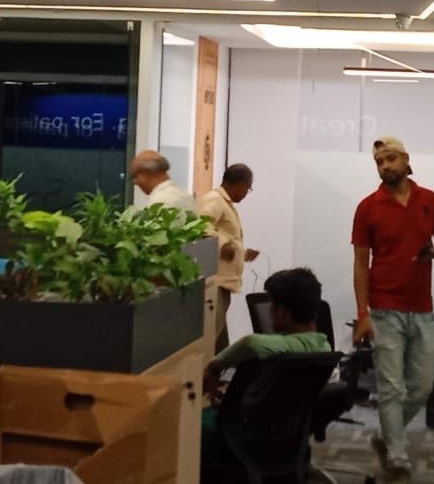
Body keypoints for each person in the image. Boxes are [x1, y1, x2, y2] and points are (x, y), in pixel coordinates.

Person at [352, 136, 434, 483]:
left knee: (422, 387)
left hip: (422, 308)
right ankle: (397, 459)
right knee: (391, 388)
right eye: (379, 162)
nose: (385, 167)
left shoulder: (431, 201)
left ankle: (385, 437)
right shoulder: (368, 207)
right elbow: (360, 264)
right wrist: (363, 314)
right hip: (384, 308)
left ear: (406, 160)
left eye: (390, 159)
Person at [200, 267, 331, 464]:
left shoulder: (285, 348)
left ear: (283, 312)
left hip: (246, 433)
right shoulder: (324, 347)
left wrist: (214, 367)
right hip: (287, 436)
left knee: (188, 425)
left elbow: (250, 343)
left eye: (272, 305)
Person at [198, 163, 259, 353]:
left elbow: (225, 239)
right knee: (210, 337)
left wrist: (242, 253)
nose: (246, 193)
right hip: (215, 281)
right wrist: (224, 245)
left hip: (224, 281)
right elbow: (201, 225)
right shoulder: (215, 200)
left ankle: (217, 369)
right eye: (248, 189)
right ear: (241, 184)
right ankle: (205, 371)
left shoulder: (224, 203)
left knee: (218, 339)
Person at [129, 150, 196, 213]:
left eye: (136, 178)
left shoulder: (159, 201)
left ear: (144, 173)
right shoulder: (187, 196)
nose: (137, 183)